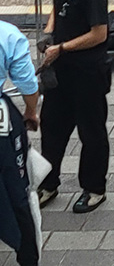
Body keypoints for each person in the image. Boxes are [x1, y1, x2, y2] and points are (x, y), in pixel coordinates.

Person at [37, 0, 110, 214]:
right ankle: (48, 182)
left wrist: (62, 47)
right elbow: (57, 5)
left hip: (87, 72)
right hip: (61, 68)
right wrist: (49, 32)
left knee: (91, 132)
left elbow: (99, 34)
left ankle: (94, 188)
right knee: (52, 126)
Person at [0, 19, 41, 266]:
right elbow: (27, 84)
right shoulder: (7, 34)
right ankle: (27, 256)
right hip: (3, 125)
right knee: (18, 192)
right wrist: (30, 111)